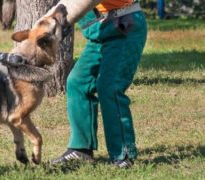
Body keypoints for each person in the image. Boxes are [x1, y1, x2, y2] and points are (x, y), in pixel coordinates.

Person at [46, 0, 147, 168]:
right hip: (100, 32)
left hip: (123, 27)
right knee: (78, 83)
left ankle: (123, 154)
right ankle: (81, 149)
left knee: (110, 87)